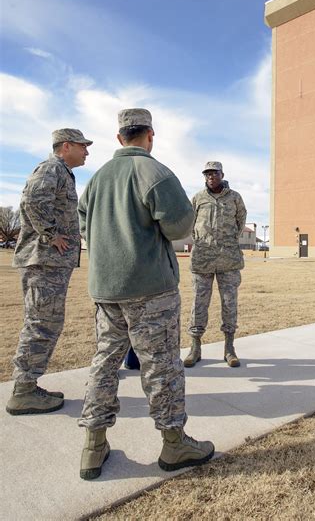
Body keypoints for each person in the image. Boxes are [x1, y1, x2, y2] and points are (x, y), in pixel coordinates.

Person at [77, 108, 214, 480]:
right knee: (162, 366)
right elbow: (179, 227)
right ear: (149, 135)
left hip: (106, 290)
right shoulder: (154, 172)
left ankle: (93, 445)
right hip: (151, 289)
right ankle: (174, 443)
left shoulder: (97, 178)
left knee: (104, 363)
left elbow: (84, 225)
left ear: (120, 137)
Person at [6, 128, 93, 415]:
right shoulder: (50, 168)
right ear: (66, 146)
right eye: (82, 147)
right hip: (44, 260)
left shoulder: (61, 171)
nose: (86, 152)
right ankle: (24, 391)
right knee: (41, 323)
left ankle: (28, 386)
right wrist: (51, 234)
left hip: (51, 263)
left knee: (46, 322)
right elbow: (32, 200)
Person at [184, 161, 247, 369]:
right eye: (207, 174)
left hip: (228, 260)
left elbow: (241, 221)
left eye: (215, 173)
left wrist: (227, 242)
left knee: (229, 304)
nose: (211, 176)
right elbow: (190, 223)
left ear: (222, 174)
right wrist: (203, 242)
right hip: (202, 260)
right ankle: (195, 347)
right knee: (198, 304)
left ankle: (229, 348)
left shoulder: (235, 197)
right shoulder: (197, 198)